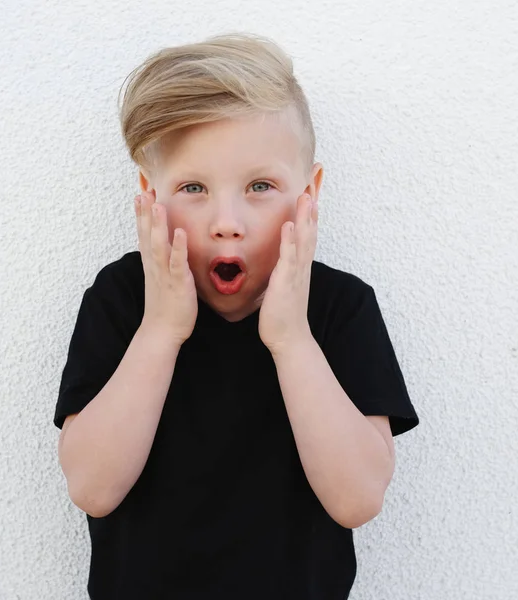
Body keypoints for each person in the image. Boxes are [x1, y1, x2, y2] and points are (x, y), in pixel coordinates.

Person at [53, 32, 420, 600]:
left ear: (309, 193)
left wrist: (292, 340)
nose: (228, 221)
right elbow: (92, 487)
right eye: (193, 187)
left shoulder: (340, 308)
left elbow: (358, 500)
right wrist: (161, 330)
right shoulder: (122, 300)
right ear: (150, 196)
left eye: (260, 186)